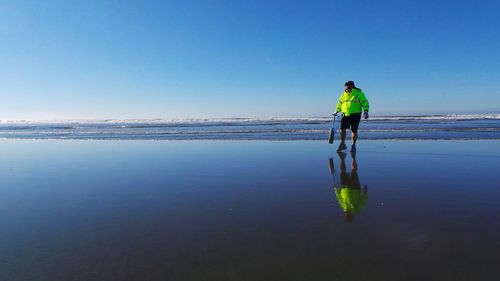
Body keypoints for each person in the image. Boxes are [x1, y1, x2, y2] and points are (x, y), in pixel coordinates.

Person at [330, 152, 368, 222]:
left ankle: (342, 159)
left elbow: (339, 198)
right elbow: (363, 201)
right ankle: (353, 157)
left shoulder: (344, 208)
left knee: (342, 172)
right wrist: (365, 192)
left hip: (344, 188)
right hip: (355, 187)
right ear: (351, 215)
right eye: (348, 215)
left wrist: (336, 189)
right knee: (354, 171)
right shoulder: (356, 209)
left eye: (346, 215)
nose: (346, 214)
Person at [334, 81, 370, 152]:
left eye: (347, 88)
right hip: (345, 114)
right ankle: (343, 144)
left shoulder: (359, 93)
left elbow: (365, 102)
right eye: (345, 88)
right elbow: (340, 103)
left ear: (352, 87)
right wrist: (336, 111)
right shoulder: (344, 94)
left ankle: (353, 145)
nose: (346, 89)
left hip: (356, 114)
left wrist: (366, 111)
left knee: (354, 131)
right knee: (342, 129)